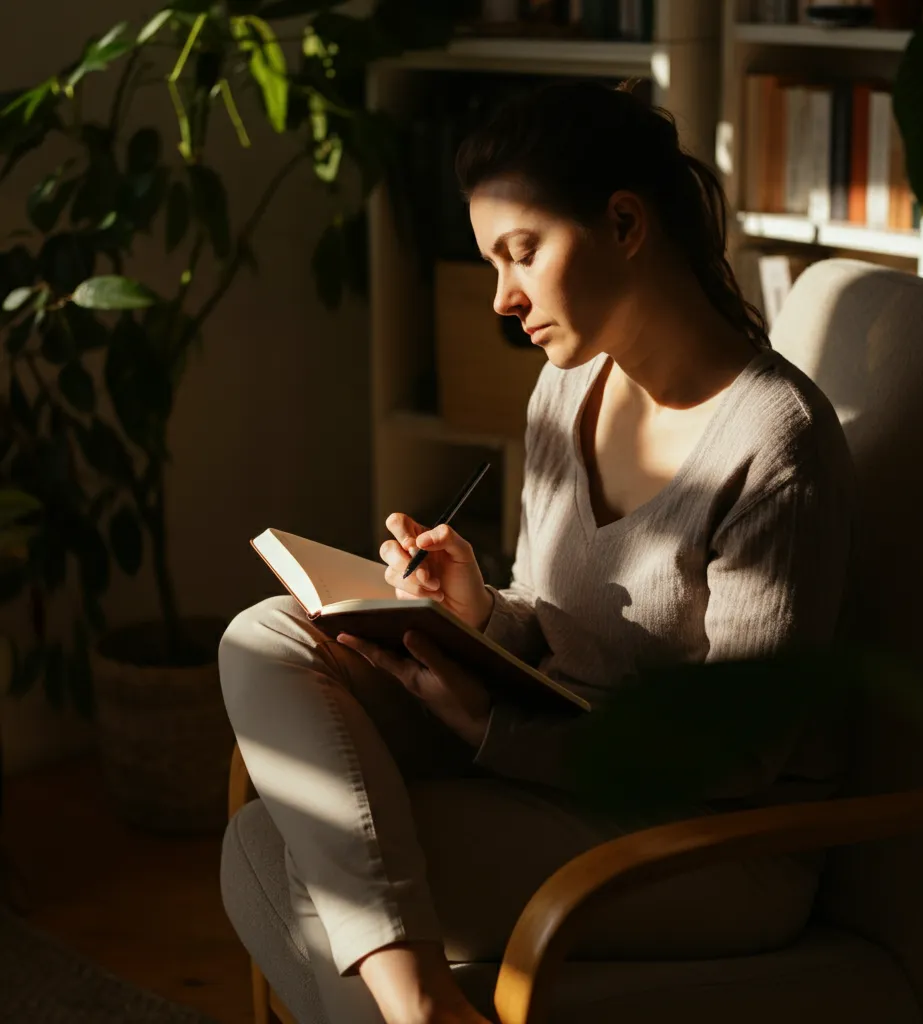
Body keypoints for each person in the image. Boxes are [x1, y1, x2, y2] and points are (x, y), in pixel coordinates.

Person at [219, 80, 855, 1024]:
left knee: (280, 859)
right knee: (264, 635)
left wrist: (489, 731)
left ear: (626, 224)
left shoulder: (777, 443)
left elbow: (735, 756)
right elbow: (567, 633)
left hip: (711, 840)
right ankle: (425, 1008)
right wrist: (479, 613)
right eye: (492, 263)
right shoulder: (568, 392)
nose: (504, 300)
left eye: (522, 253)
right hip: (559, 772)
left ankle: (418, 1009)